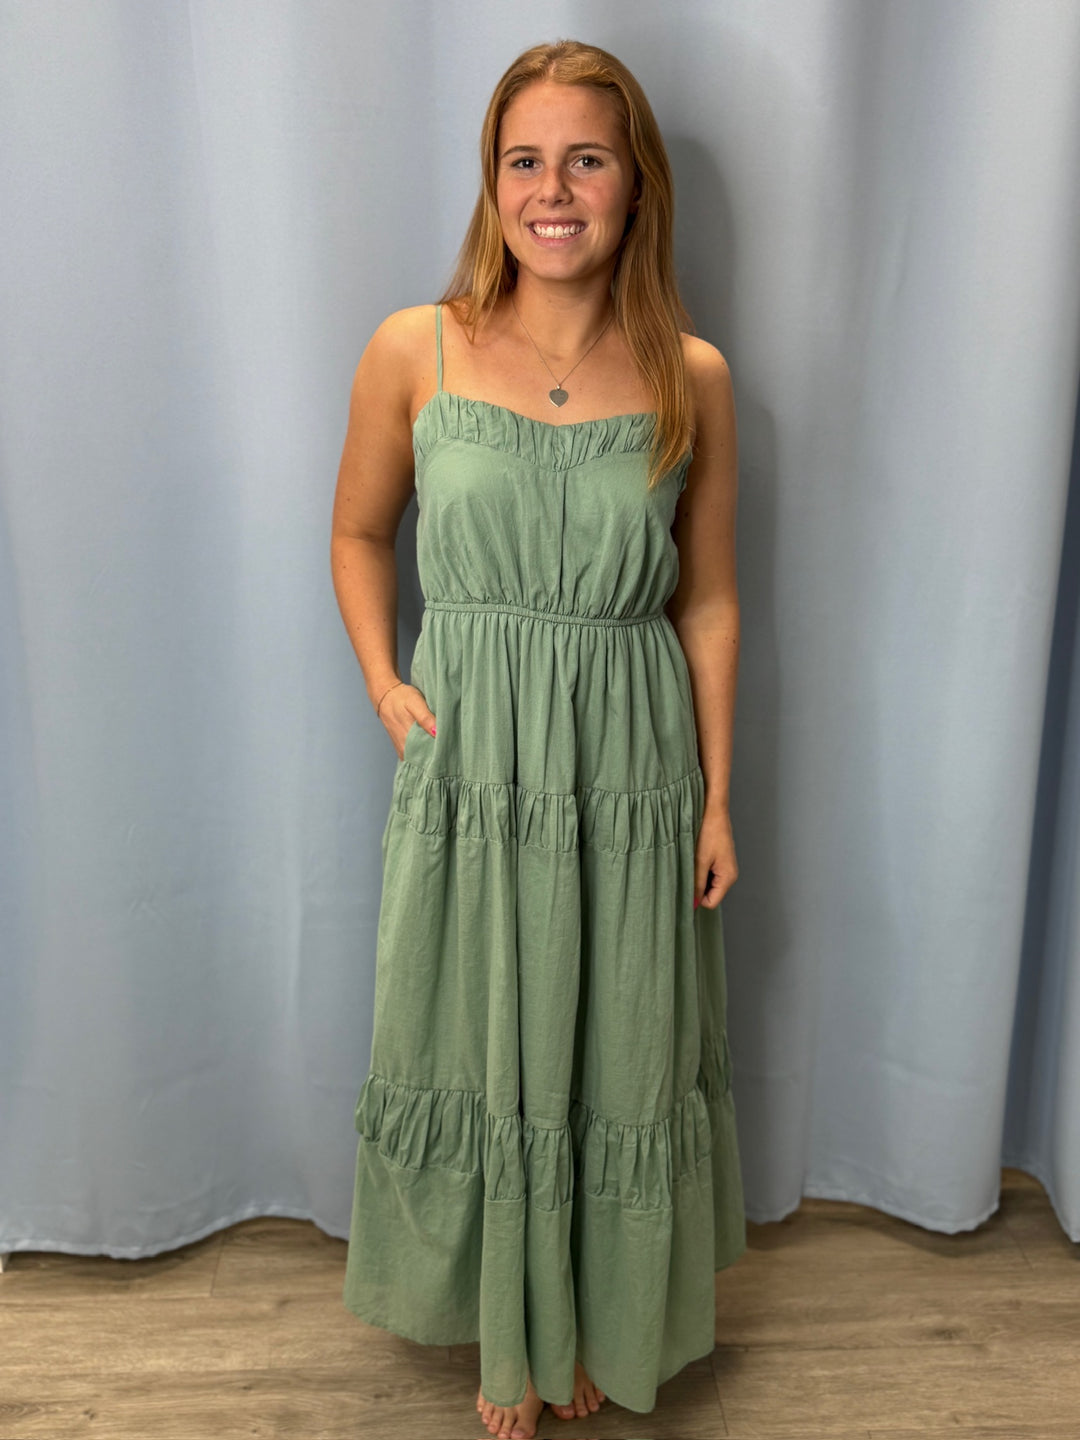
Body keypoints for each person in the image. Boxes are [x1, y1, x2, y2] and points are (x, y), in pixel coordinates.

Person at [330, 37, 745, 1440]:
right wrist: (391, 683)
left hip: (630, 766)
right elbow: (358, 530)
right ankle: (509, 1334)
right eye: (525, 159)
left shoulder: (693, 375)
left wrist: (718, 797)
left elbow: (714, 599)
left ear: (636, 186)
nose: (553, 188)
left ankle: (592, 1327)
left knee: (617, 1041)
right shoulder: (417, 344)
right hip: (479, 766)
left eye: (587, 158)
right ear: (492, 182)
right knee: (483, 1033)